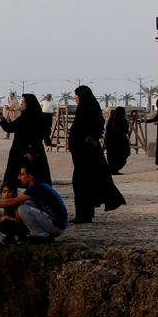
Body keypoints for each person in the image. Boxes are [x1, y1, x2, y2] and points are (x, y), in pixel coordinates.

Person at [69, 85, 125, 224]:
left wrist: (91, 137)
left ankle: (83, 215)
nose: (75, 97)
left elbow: (97, 124)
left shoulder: (88, 109)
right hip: (82, 153)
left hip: (86, 154)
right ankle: (85, 214)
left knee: (82, 182)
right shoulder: (85, 108)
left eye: (77, 95)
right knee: (85, 182)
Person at [0, 165, 67, 244]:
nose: (18, 177)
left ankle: (41, 235)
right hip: (56, 224)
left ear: (30, 177)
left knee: (22, 209)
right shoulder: (38, 186)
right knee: (25, 204)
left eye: (22, 174)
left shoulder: (37, 187)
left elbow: (12, 202)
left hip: (56, 226)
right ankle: (38, 235)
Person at [0, 93, 52, 186]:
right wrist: (1, 118)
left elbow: (40, 136)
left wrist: (31, 151)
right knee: (12, 180)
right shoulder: (23, 117)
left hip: (32, 153)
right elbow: (10, 128)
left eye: (23, 102)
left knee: (37, 180)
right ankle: (11, 198)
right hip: (19, 152)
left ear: (29, 104)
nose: (21, 104)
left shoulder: (40, 118)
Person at [105, 106, 132, 175]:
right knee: (121, 156)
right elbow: (125, 130)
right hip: (121, 142)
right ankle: (114, 170)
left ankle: (113, 169)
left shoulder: (111, 120)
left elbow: (107, 131)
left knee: (112, 156)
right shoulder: (122, 120)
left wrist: (105, 142)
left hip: (111, 142)